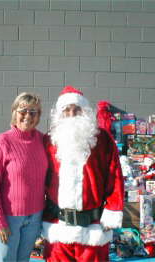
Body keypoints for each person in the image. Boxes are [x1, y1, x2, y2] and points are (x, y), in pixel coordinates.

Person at [42, 86, 124, 262]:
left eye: (76, 109)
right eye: (67, 110)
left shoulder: (102, 139)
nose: (72, 114)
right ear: (59, 114)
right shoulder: (48, 140)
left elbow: (115, 176)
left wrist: (112, 210)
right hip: (58, 226)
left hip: (92, 228)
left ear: (85, 111)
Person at [0, 92, 48, 262]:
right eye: (23, 111)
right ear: (14, 113)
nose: (28, 116)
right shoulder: (1, 143)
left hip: (35, 217)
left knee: (23, 259)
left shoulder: (43, 140)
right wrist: (0, 222)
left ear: (39, 116)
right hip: (8, 218)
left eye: (33, 112)